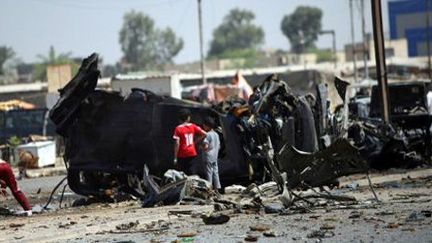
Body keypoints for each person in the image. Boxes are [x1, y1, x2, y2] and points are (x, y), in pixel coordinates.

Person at [173, 109, 206, 175]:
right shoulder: (193, 126)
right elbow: (204, 133)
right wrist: (195, 141)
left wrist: (175, 157)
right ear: (188, 118)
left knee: (181, 173)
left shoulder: (178, 128)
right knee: (191, 171)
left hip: (182, 154)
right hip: (192, 152)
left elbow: (177, 143)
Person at [201, 117, 221, 192]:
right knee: (215, 172)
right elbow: (219, 146)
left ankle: (209, 189)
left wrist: (201, 146)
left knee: (209, 173)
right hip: (215, 156)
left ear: (207, 126)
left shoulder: (207, 135)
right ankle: (217, 189)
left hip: (208, 156)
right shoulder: (216, 134)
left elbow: (206, 146)